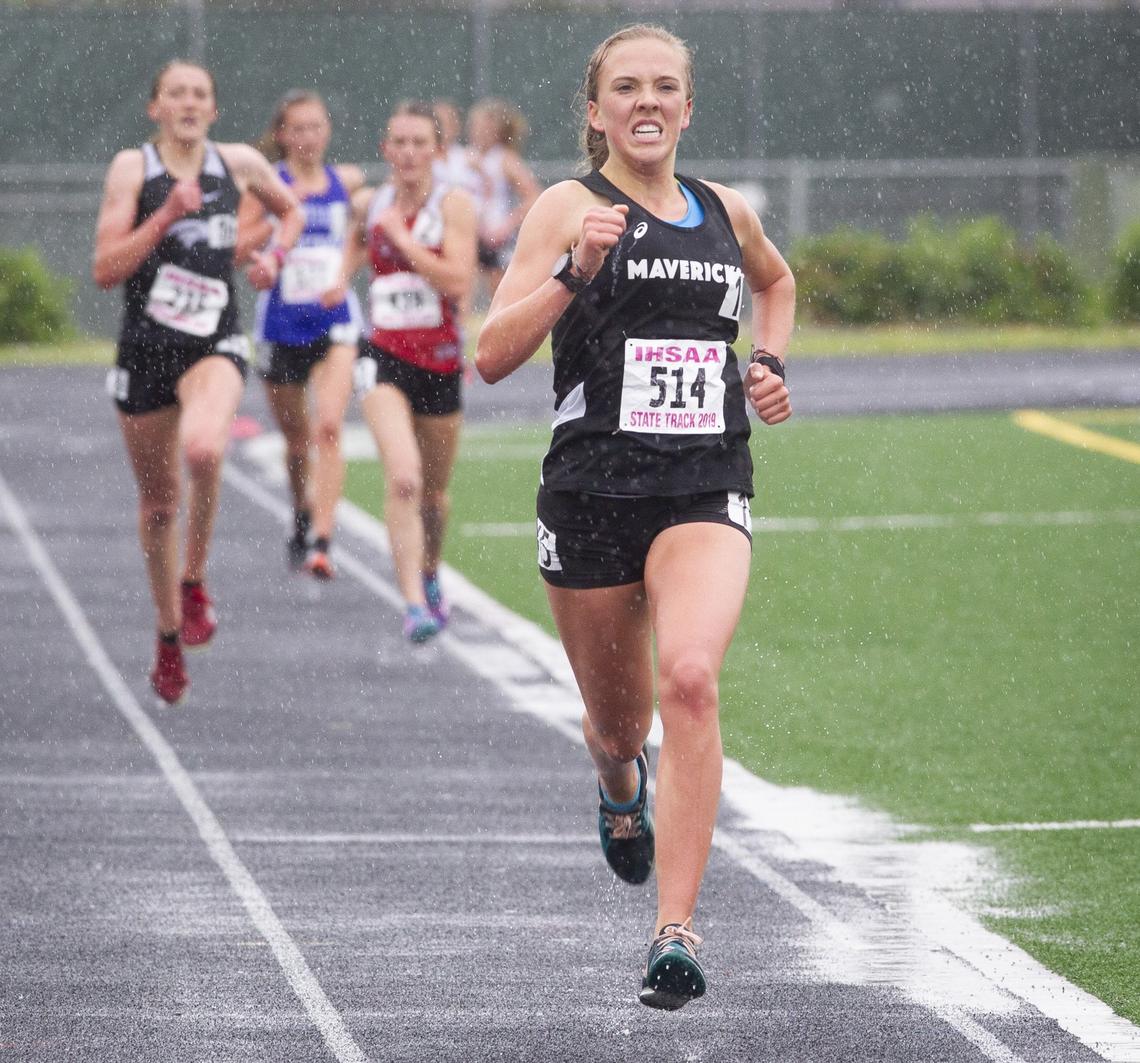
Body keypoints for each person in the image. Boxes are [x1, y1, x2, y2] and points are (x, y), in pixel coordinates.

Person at [474, 24, 794, 1010]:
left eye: (663, 87)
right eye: (626, 87)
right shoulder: (567, 207)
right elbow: (490, 354)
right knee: (621, 725)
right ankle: (620, 788)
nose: (646, 101)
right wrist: (572, 271)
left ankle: (675, 931)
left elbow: (776, 282)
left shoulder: (725, 211)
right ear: (596, 110)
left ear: (687, 108)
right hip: (591, 495)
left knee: (690, 678)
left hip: (704, 483)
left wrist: (768, 362)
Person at [93, 60, 303, 705]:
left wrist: (273, 257)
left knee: (206, 449)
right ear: (155, 108)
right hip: (145, 350)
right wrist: (164, 216)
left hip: (214, 341)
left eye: (200, 95)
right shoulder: (133, 169)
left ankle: (194, 581)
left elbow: (292, 212)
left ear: (213, 110)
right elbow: (105, 269)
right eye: (176, 94)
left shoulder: (238, 164)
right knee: (159, 506)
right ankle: (166, 636)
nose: (188, 103)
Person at [343, 100, 478, 642]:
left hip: (440, 362)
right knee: (403, 478)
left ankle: (429, 569)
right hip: (382, 357)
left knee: (433, 497)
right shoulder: (370, 203)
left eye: (419, 142)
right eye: (398, 142)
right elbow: (349, 251)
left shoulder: (454, 205)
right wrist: (331, 284)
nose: (408, 152)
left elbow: (458, 281)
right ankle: (414, 604)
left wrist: (403, 241)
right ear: (385, 149)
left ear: (438, 151)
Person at [239, 90, 365, 578]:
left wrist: (345, 274)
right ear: (282, 135)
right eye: (299, 129)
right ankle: (300, 511)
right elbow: (238, 247)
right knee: (296, 443)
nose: (309, 137)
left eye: (316, 127)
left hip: (334, 319)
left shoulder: (347, 181)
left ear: (327, 130)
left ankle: (323, 541)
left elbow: (362, 237)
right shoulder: (266, 185)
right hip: (281, 324)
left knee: (328, 427)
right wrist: (283, 215)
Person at [466, 97, 541, 300]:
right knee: (464, 286)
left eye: (484, 127)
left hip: (495, 234)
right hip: (469, 229)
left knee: (498, 293)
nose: (477, 131)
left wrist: (506, 226)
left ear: (497, 131)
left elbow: (533, 196)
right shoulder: (466, 157)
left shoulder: (505, 159)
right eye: (474, 125)